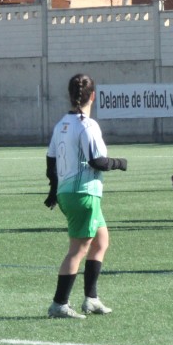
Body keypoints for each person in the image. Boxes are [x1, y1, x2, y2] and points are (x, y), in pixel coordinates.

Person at [44, 73, 128, 320]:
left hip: (70, 193)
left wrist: (53, 189)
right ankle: (59, 304)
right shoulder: (87, 125)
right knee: (78, 250)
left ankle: (91, 299)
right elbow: (97, 161)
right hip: (83, 194)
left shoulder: (61, 124)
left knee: (101, 242)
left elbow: (50, 160)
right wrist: (121, 163)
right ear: (93, 96)